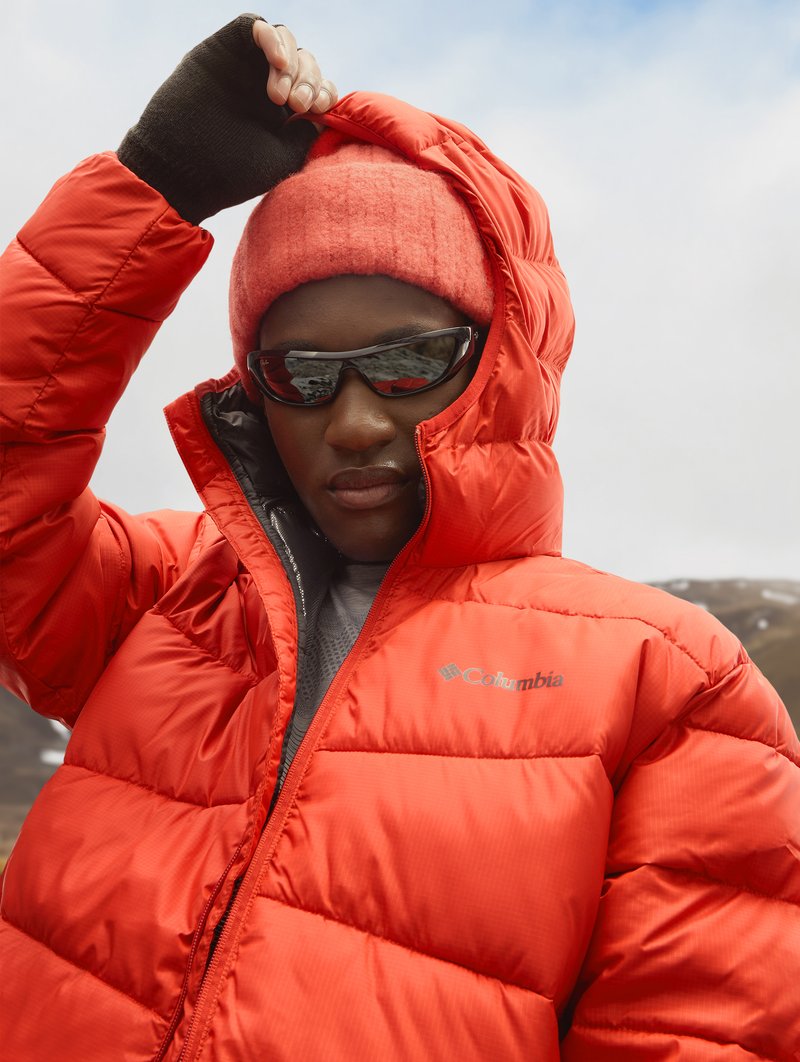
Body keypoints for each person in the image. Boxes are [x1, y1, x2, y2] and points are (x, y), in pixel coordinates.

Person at [0, 14, 798, 1060]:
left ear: (500, 357)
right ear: (253, 394)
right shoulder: (161, 602)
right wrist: (152, 188)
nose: (357, 420)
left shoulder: (664, 685)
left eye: (411, 359)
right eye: (301, 375)